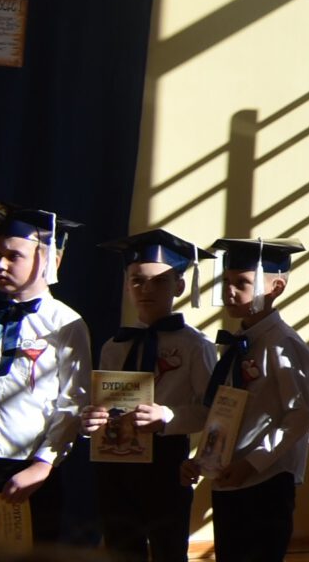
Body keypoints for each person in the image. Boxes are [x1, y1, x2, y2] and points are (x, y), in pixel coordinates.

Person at [83, 229, 219, 562]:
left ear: (179, 286)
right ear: (127, 286)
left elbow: (210, 409)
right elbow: (103, 402)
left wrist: (168, 417)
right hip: (115, 458)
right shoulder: (114, 346)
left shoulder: (195, 345)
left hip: (166, 460)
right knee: (120, 546)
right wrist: (91, 417)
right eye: (137, 281)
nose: (146, 290)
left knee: (167, 546)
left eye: (159, 282)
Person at [184, 237, 309, 562]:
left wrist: (252, 463)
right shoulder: (237, 343)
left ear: (276, 287)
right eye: (226, 281)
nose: (229, 291)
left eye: (241, 283)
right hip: (229, 476)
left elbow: (300, 416)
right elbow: (226, 410)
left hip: (265, 480)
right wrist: (204, 459)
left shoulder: (283, 344)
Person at [0, 202, 90, 545]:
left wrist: (43, 464)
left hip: (29, 470)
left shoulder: (65, 324)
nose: (0, 264)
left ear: (49, 260)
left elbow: (73, 401)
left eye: (13, 256)